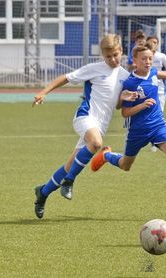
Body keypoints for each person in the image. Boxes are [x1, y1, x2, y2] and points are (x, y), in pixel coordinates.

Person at [91, 44, 166, 218]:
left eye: (150, 58)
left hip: (158, 126)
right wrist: (141, 105)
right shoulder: (130, 83)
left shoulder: (152, 72)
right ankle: (107, 155)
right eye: (144, 59)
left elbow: (157, 74)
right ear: (134, 61)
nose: (148, 62)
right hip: (137, 131)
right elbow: (124, 112)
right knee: (125, 165)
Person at [33, 34, 137, 219]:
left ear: (121, 52)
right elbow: (65, 77)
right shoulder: (94, 69)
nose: (112, 59)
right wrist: (43, 92)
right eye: (108, 56)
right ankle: (69, 182)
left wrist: (122, 100)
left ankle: (43, 192)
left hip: (99, 125)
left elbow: (118, 106)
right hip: (85, 117)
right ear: (102, 56)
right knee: (97, 143)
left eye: (115, 55)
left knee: (70, 164)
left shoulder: (125, 76)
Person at [146, 35, 166, 152]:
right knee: (146, 115)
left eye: (155, 42)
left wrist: (158, 74)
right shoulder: (144, 56)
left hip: (160, 90)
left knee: (159, 115)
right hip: (146, 90)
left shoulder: (162, 57)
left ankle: (158, 141)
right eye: (151, 42)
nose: (153, 44)